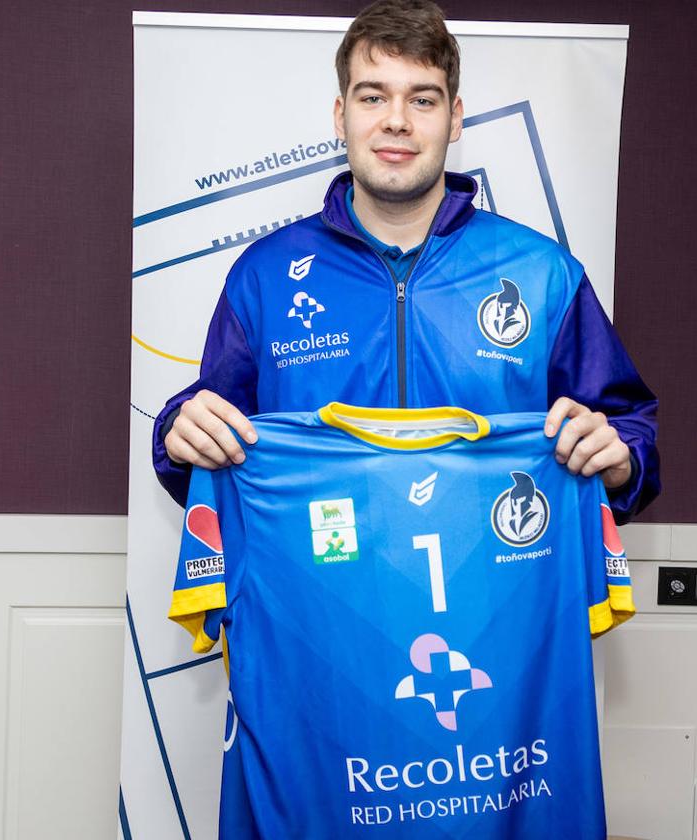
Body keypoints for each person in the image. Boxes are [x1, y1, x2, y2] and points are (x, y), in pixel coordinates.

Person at [153, 0, 659, 523]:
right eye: (373, 97)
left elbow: (625, 427)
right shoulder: (264, 276)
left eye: (422, 100)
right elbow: (208, 429)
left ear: (455, 118)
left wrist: (620, 459)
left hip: (493, 594)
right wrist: (178, 432)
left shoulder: (543, 274)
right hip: (315, 591)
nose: (396, 121)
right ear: (340, 115)